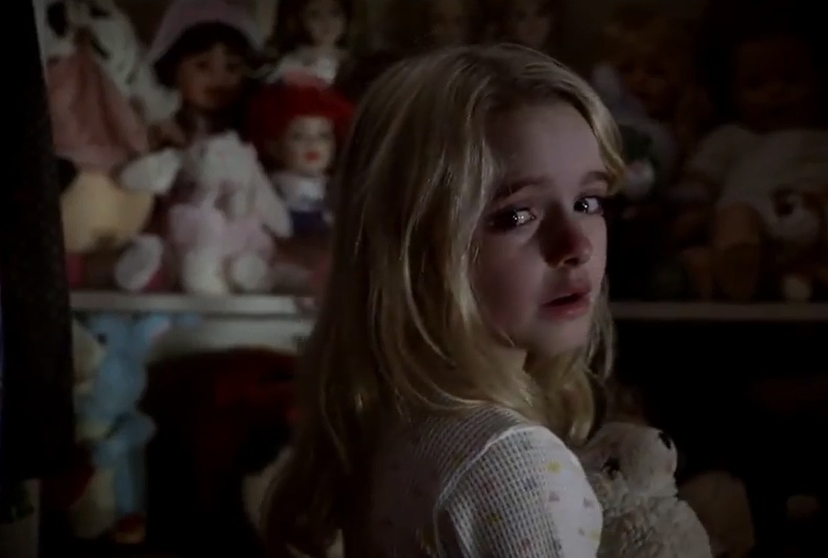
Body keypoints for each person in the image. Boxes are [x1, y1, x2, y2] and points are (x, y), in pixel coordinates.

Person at [261, 44, 624, 557]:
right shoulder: (511, 463)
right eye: (516, 215)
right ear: (412, 248)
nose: (576, 245)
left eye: (588, 201)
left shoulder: (396, 425)